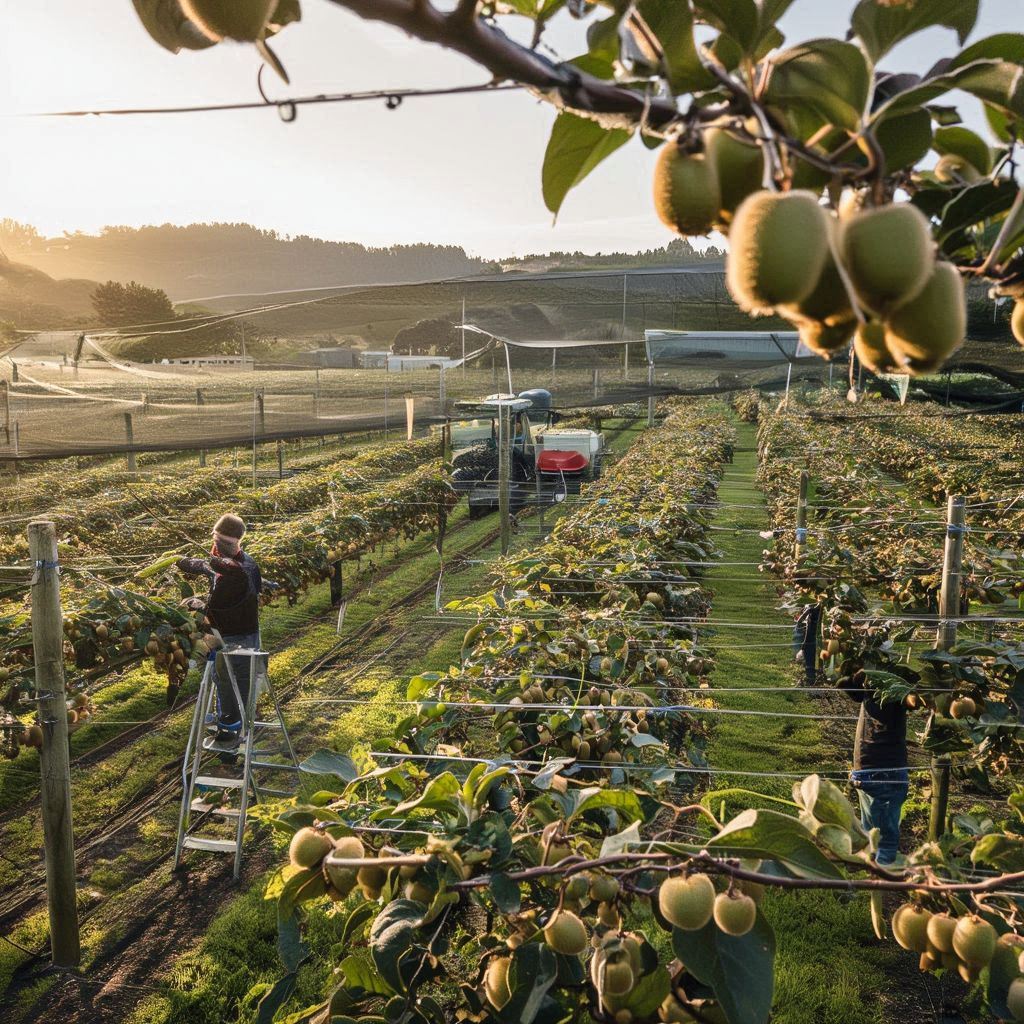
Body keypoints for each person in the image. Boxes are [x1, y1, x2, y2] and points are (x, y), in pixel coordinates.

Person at [177, 513, 262, 751]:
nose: (217, 547)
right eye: (216, 540)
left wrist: (199, 605)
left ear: (235, 542)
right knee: (221, 677)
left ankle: (232, 736)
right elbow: (207, 566)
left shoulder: (240, 569)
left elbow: (220, 603)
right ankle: (225, 721)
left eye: (222, 542)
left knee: (235, 682)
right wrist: (182, 561)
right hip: (230, 633)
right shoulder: (236, 563)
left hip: (239, 636)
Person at [840, 669, 909, 866]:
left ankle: (875, 876)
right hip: (883, 774)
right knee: (879, 838)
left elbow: (842, 682)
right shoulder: (890, 693)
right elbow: (844, 684)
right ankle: (879, 877)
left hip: (871, 771)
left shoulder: (877, 692)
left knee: (875, 837)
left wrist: (860, 675)